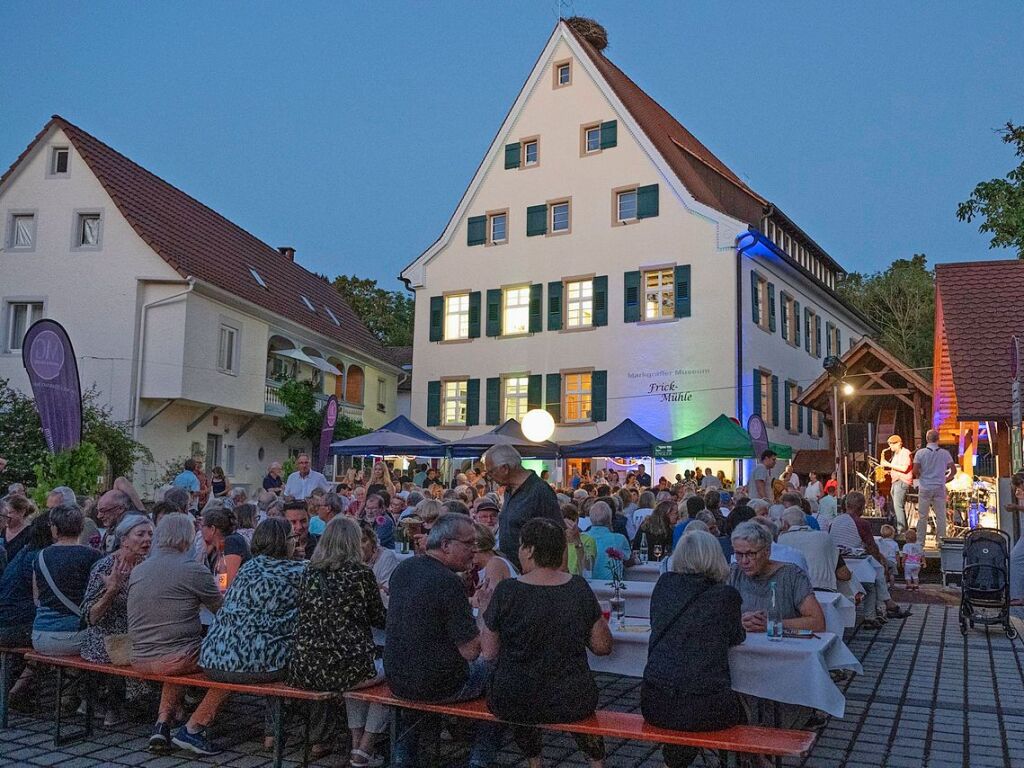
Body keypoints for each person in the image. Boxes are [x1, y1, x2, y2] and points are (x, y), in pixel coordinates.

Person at [480, 518, 612, 768]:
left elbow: (488, 652)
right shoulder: (578, 588)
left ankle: (534, 761)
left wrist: (486, 609)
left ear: (529, 550)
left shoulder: (507, 591)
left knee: (519, 694)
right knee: (576, 699)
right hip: (571, 698)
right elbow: (602, 647)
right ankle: (597, 762)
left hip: (514, 698)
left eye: (521, 546)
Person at [384, 514, 500, 768]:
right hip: (440, 684)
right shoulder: (448, 582)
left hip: (396, 677)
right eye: (469, 544)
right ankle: (480, 757)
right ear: (446, 545)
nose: (474, 551)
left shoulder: (405, 569)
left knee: (419, 682)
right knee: (499, 674)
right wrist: (484, 610)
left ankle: (403, 756)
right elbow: (471, 651)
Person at [198, 519, 306, 750]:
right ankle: (279, 735)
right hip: (253, 664)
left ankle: (272, 734)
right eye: (292, 539)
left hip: (213, 656)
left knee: (271, 646)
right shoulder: (298, 572)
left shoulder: (248, 568)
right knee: (289, 655)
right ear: (284, 543)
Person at [642, 530, 746, 768]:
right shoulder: (726, 596)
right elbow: (735, 636)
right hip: (706, 705)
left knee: (687, 704)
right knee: (739, 705)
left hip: (655, 700)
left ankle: (676, 762)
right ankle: (752, 761)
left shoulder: (664, 585)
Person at [128, 513, 223, 755]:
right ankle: (195, 727)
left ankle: (162, 724)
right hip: (176, 658)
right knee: (235, 666)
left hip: (138, 657)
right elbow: (221, 610)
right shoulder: (193, 569)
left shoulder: (140, 569)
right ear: (188, 538)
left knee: (174, 652)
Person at [80, 514, 154, 725]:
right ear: (124, 540)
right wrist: (112, 590)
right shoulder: (105, 567)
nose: (147, 539)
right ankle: (117, 706)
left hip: (138, 636)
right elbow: (90, 617)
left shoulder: (147, 566)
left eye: (150, 534)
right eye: (140, 534)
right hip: (106, 638)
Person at [729, 521, 825, 634]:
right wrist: (738, 622)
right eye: (739, 554)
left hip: (785, 648)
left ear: (767, 552)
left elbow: (817, 622)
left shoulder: (792, 576)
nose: (744, 561)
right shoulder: (732, 574)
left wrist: (772, 624)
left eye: (751, 554)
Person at [32, 504, 102, 655]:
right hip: (75, 636)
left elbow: (36, 598)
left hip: (39, 636)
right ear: (82, 527)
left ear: (55, 529)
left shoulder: (40, 556)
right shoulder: (93, 556)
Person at [484, 445, 561, 571]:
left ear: (504, 468)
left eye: (491, 472)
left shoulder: (539, 490)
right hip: (512, 569)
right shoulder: (509, 489)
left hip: (533, 572)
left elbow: (558, 533)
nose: (489, 477)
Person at [778, 507, 839, 591]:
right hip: (824, 588)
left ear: (785, 524)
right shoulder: (824, 537)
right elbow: (841, 572)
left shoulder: (781, 540)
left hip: (793, 590)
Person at [913, 429, 958, 544]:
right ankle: (940, 540)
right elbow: (953, 470)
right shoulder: (944, 453)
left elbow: (915, 470)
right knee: (941, 515)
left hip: (925, 486)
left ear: (927, 439)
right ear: (938, 439)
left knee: (923, 515)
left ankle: (920, 541)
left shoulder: (920, 453)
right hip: (939, 486)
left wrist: (921, 476)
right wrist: (945, 479)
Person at [200, 505, 251, 589]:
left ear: (212, 529)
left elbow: (225, 585)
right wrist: (204, 552)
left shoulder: (233, 542)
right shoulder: (213, 547)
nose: (200, 530)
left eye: (202, 526)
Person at [586, 501, 635, 580]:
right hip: (612, 586)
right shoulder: (619, 539)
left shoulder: (582, 538)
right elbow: (628, 560)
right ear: (609, 518)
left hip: (589, 584)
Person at [879, 434, 914, 533]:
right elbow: (897, 468)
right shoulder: (896, 454)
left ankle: (901, 531)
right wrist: (888, 472)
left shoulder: (905, 453)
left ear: (899, 443)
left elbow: (904, 468)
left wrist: (887, 464)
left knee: (898, 507)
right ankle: (905, 532)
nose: (890, 447)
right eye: (889, 444)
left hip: (902, 482)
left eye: (892, 444)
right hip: (895, 482)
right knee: (896, 508)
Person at [360, 521, 400, 606]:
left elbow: (390, 593)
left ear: (372, 541)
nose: (360, 546)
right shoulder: (349, 560)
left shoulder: (386, 557)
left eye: (364, 541)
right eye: (355, 541)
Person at [562, 503, 596, 577]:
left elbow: (586, 570)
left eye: (572, 519)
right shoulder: (556, 540)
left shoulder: (588, 540)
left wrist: (577, 539)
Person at [1, 493, 35, 565]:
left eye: (9, 512)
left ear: (22, 512)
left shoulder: (31, 533)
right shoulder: (2, 529)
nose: (5, 516)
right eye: (3, 513)